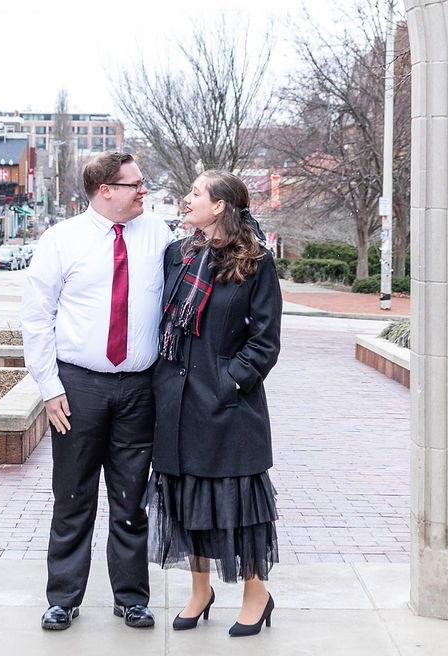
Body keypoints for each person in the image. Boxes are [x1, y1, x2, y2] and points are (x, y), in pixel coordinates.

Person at [20, 151, 175, 631]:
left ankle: (131, 597)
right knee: (73, 495)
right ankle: (63, 597)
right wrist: (49, 388)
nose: (144, 191)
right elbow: (36, 319)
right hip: (78, 388)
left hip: (139, 389)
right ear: (106, 190)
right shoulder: (61, 240)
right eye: (135, 184)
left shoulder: (159, 235)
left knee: (131, 499)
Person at [145, 170, 282, 637]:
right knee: (187, 501)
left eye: (196, 193)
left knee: (237, 506)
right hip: (178, 402)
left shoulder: (256, 262)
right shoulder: (178, 255)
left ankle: (255, 593)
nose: (187, 200)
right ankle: (200, 590)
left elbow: (265, 342)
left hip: (227, 408)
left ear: (220, 205)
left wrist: (229, 383)